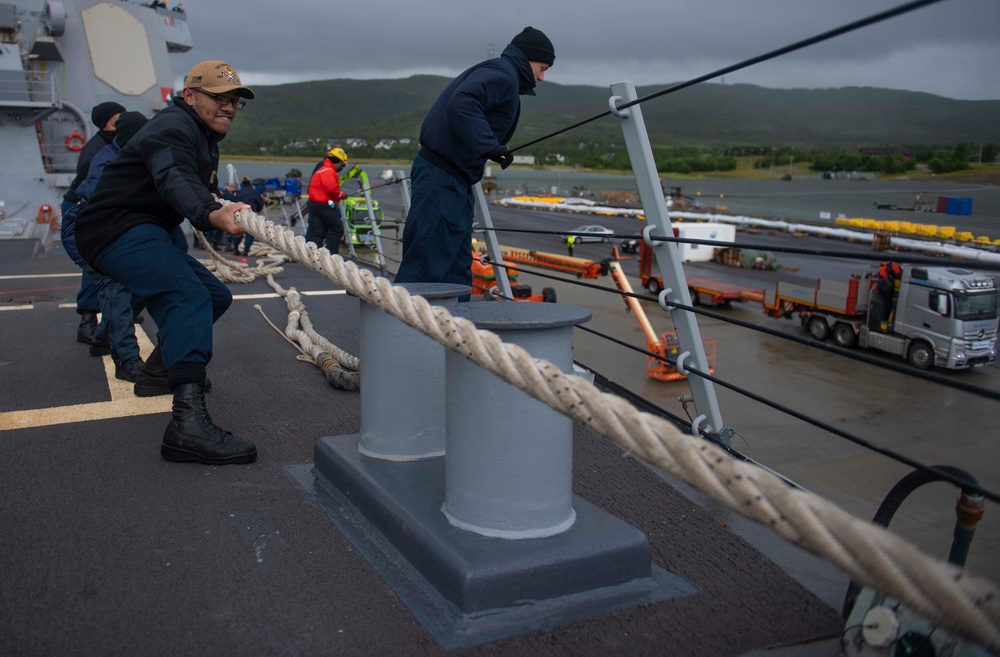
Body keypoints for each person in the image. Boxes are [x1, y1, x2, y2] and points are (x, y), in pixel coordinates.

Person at [75, 60, 257, 466]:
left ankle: (158, 375)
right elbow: (173, 173)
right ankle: (186, 426)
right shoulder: (173, 127)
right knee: (188, 295)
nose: (228, 107)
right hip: (116, 228)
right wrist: (210, 213)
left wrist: (212, 202)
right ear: (190, 96)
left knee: (213, 296)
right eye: (219, 98)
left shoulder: (201, 134)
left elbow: (188, 179)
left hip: (142, 228)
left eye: (234, 101)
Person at [394, 27, 554, 296]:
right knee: (425, 270)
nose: (542, 77)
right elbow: (464, 101)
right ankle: (399, 337)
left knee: (455, 272)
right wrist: (489, 146)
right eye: (542, 67)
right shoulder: (504, 75)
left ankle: (452, 333)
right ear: (528, 59)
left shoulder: (502, 73)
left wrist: (488, 147)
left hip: (453, 180)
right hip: (443, 179)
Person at [61, 111, 149, 382]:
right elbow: (103, 209)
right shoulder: (106, 163)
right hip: (85, 232)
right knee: (116, 286)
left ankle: (101, 339)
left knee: (141, 282)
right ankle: (126, 359)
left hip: (101, 229)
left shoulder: (128, 154)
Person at [63, 101, 125, 347]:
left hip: (101, 207)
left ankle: (116, 314)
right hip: (83, 209)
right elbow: (92, 191)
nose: (122, 125)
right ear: (107, 123)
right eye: (117, 121)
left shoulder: (112, 145)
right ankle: (87, 321)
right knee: (95, 262)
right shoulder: (95, 154)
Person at [307, 147, 348, 253]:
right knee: (338, 228)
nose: (342, 167)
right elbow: (332, 190)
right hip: (325, 205)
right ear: (338, 161)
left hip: (316, 205)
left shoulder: (322, 169)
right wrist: (342, 195)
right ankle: (333, 255)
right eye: (342, 164)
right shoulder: (328, 171)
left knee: (319, 232)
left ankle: (314, 255)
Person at [228, 177, 264, 256]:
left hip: (239, 213)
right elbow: (260, 202)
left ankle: (236, 248)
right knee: (250, 232)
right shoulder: (253, 192)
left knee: (238, 230)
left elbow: (234, 202)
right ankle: (246, 249)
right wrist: (257, 209)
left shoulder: (239, 192)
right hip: (249, 213)